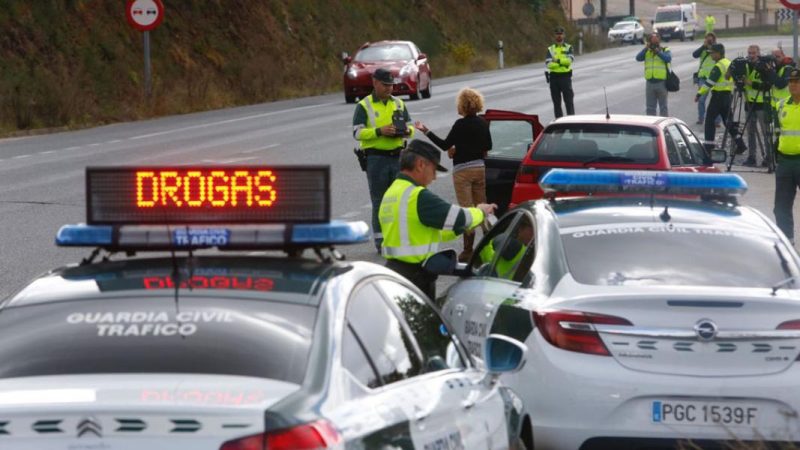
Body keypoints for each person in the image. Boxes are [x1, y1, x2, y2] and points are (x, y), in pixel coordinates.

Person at [379, 140, 496, 298]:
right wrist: (480, 212)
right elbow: (459, 217)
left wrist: (458, 229)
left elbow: (424, 231)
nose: (434, 178)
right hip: (415, 277)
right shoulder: (416, 195)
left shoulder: (392, 192)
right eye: (433, 170)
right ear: (421, 164)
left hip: (395, 272)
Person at [414, 87, 492, 263]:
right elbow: (488, 145)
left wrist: (426, 131)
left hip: (462, 172)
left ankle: (467, 251)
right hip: (480, 169)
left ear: (462, 105)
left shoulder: (459, 125)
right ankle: (490, 246)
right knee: (483, 208)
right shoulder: (483, 123)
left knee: (467, 210)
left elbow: (444, 145)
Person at [352, 67, 415, 253]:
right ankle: (381, 241)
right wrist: (380, 131)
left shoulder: (399, 104)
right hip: (376, 159)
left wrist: (404, 131)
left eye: (391, 85)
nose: (389, 89)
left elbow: (411, 128)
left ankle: (398, 237)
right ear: (375, 83)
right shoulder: (364, 105)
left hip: (398, 156)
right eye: (386, 85)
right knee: (379, 201)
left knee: (399, 200)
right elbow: (357, 132)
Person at [773, 69, 800, 245]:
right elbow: (777, 132)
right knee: (781, 207)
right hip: (785, 162)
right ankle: (787, 242)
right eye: (791, 81)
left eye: (796, 81)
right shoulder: (781, 105)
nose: (792, 85)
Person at [695, 43, 734, 151]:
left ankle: (708, 145)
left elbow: (709, 83)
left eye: (712, 53)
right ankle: (740, 144)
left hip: (718, 97)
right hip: (728, 96)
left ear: (718, 53)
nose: (711, 55)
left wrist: (699, 93)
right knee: (728, 122)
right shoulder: (728, 63)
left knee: (709, 121)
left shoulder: (718, 66)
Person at [742, 45, 769, 167]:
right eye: (749, 53)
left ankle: (768, 157)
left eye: (753, 53)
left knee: (765, 132)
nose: (751, 55)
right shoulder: (745, 65)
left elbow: (766, 85)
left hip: (761, 103)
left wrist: (751, 83)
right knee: (751, 132)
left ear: (758, 53)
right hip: (749, 102)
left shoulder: (763, 66)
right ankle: (751, 157)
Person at [636, 33, 672, 116]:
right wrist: (646, 48)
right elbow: (638, 58)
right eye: (652, 40)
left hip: (661, 82)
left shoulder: (665, 49)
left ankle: (664, 126)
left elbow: (668, 58)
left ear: (659, 40)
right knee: (650, 108)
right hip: (650, 82)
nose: (654, 42)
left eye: (656, 39)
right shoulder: (647, 51)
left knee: (663, 107)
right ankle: (651, 126)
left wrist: (658, 52)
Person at [545, 26, 575, 118]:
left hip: (565, 77)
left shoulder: (569, 47)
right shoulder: (551, 49)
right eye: (557, 34)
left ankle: (572, 123)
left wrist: (557, 61)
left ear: (564, 35)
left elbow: (569, 61)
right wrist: (562, 63)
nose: (559, 36)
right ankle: (559, 124)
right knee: (556, 103)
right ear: (555, 36)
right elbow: (548, 64)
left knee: (569, 102)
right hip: (554, 78)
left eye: (560, 34)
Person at [692, 33, 718, 125]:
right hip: (703, 77)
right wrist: (703, 46)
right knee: (701, 99)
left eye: (711, 40)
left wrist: (713, 47)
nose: (709, 41)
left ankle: (717, 121)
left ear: (714, 40)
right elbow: (694, 55)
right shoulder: (703, 49)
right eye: (707, 39)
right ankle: (701, 118)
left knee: (716, 100)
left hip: (715, 77)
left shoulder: (717, 49)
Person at [771, 48, 796, 112]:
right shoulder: (775, 68)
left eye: (778, 57)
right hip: (775, 105)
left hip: (787, 106)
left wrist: (769, 71)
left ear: (783, 56)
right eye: (773, 58)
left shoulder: (789, 68)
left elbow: (781, 84)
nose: (776, 59)